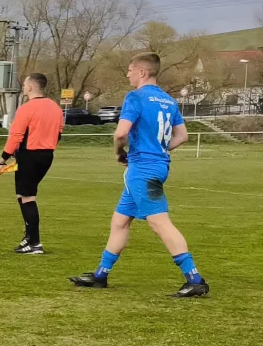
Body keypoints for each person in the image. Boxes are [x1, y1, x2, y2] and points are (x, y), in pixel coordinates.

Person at [70, 52, 209, 297]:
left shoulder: (135, 97)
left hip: (143, 170)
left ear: (142, 72)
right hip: (155, 166)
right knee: (120, 221)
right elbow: (183, 136)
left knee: (159, 222)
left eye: (130, 70)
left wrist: (119, 153)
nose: (128, 74)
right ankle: (101, 275)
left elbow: (120, 133)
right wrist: (159, 150)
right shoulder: (168, 101)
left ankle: (195, 279)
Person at [0, 73, 63, 254]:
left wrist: (2, 161)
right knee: (22, 194)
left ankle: (35, 243)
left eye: (24, 85)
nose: (23, 87)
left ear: (30, 87)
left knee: (28, 197)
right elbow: (59, 133)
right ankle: (29, 237)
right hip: (47, 155)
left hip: (30, 155)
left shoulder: (26, 108)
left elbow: (15, 136)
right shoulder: (55, 107)